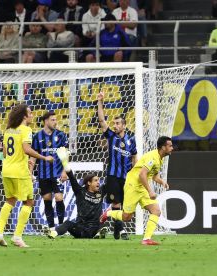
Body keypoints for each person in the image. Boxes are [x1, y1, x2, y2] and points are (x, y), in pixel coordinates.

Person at [0, 104, 53, 248]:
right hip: (20, 172)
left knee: (10, 201)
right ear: (24, 116)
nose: (32, 115)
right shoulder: (26, 130)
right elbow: (26, 149)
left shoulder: (8, 130)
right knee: (29, 202)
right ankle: (17, 236)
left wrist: (24, 161)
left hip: (6, 170)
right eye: (30, 113)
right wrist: (44, 158)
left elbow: (6, 153)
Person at [100, 136, 173, 245]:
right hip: (133, 185)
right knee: (126, 217)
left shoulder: (159, 158)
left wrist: (162, 182)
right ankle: (108, 213)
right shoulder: (152, 157)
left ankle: (146, 239)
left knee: (156, 211)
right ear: (163, 147)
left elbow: (153, 176)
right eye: (170, 146)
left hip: (142, 187)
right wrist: (150, 191)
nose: (172, 148)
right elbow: (142, 174)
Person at [97, 91, 137, 240]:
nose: (115, 125)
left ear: (124, 125)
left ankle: (116, 231)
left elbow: (134, 156)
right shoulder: (111, 136)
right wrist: (100, 102)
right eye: (114, 123)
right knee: (116, 203)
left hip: (126, 177)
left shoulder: (131, 140)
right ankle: (120, 231)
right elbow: (101, 120)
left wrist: (134, 172)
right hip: (113, 176)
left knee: (125, 206)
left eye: (118, 123)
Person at [45, 147, 107, 239]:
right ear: (89, 183)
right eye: (95, 180)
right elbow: (71, 176)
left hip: (94, 227)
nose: (98, 182)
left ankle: (99, 233)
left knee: (103, 223)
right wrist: (64, 162)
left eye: (98, 180)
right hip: (80, 229)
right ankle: (54, 233)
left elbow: (111, 180)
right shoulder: (80, 191)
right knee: (68, 223)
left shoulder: (101, 192)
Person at [29, 111, 68, 233]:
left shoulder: (61, 135)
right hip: (43, 174)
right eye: (53, 120)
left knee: (58, 197)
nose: (55, 122)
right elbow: (33, 156)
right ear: (45, 121)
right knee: (47, 199)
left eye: (56, 120)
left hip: (57, 173)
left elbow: (65, 154)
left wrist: (64, 171)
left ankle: (61, 227)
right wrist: (30, 172)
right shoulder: (37, 136)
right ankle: (51, 227)